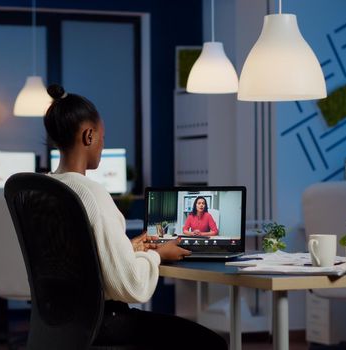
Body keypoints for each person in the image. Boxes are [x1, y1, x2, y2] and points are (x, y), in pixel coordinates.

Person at [44, 84, 227, 349]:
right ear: (89, 136)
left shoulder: (49, 188)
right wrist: (158, 254)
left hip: (61, 321)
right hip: (105, 322)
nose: (102, 146)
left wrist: (129, 248)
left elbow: (79, 260)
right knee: (211, 343)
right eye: (102, 138)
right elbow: (130, 285)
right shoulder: (91, 194)